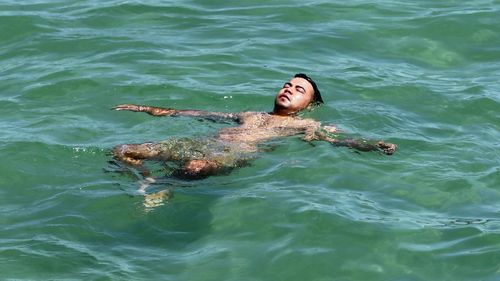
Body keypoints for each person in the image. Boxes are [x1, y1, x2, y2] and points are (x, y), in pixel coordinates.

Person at [112, 73, 396, 185]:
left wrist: (371, 145)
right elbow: (202, 114)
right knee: (123, 150)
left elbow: (336, 142)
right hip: (202, 142)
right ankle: (148, 182)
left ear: (309, 104)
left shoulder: (303, 123)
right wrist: (150, 109)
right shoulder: (249, 114)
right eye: (288, 85)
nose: (289, 90)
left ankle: (163, 186)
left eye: (299, 90)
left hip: (234, 154)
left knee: (196, 167)